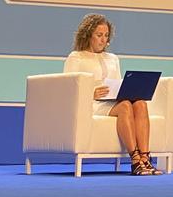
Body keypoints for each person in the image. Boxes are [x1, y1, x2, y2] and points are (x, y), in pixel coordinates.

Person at [64, 13, 163, 175]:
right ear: (88, 35)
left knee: (140, 103)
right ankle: (135, 160)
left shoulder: (113, 58)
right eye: (99, 35)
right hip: (92, 104)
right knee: (125, 106)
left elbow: (117, 82)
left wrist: (126, 90)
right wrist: (91, 92)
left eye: (106, 36)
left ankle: (145, 159)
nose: (104, 40)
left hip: (112, 101)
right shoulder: (76, 57)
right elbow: (68, 87)